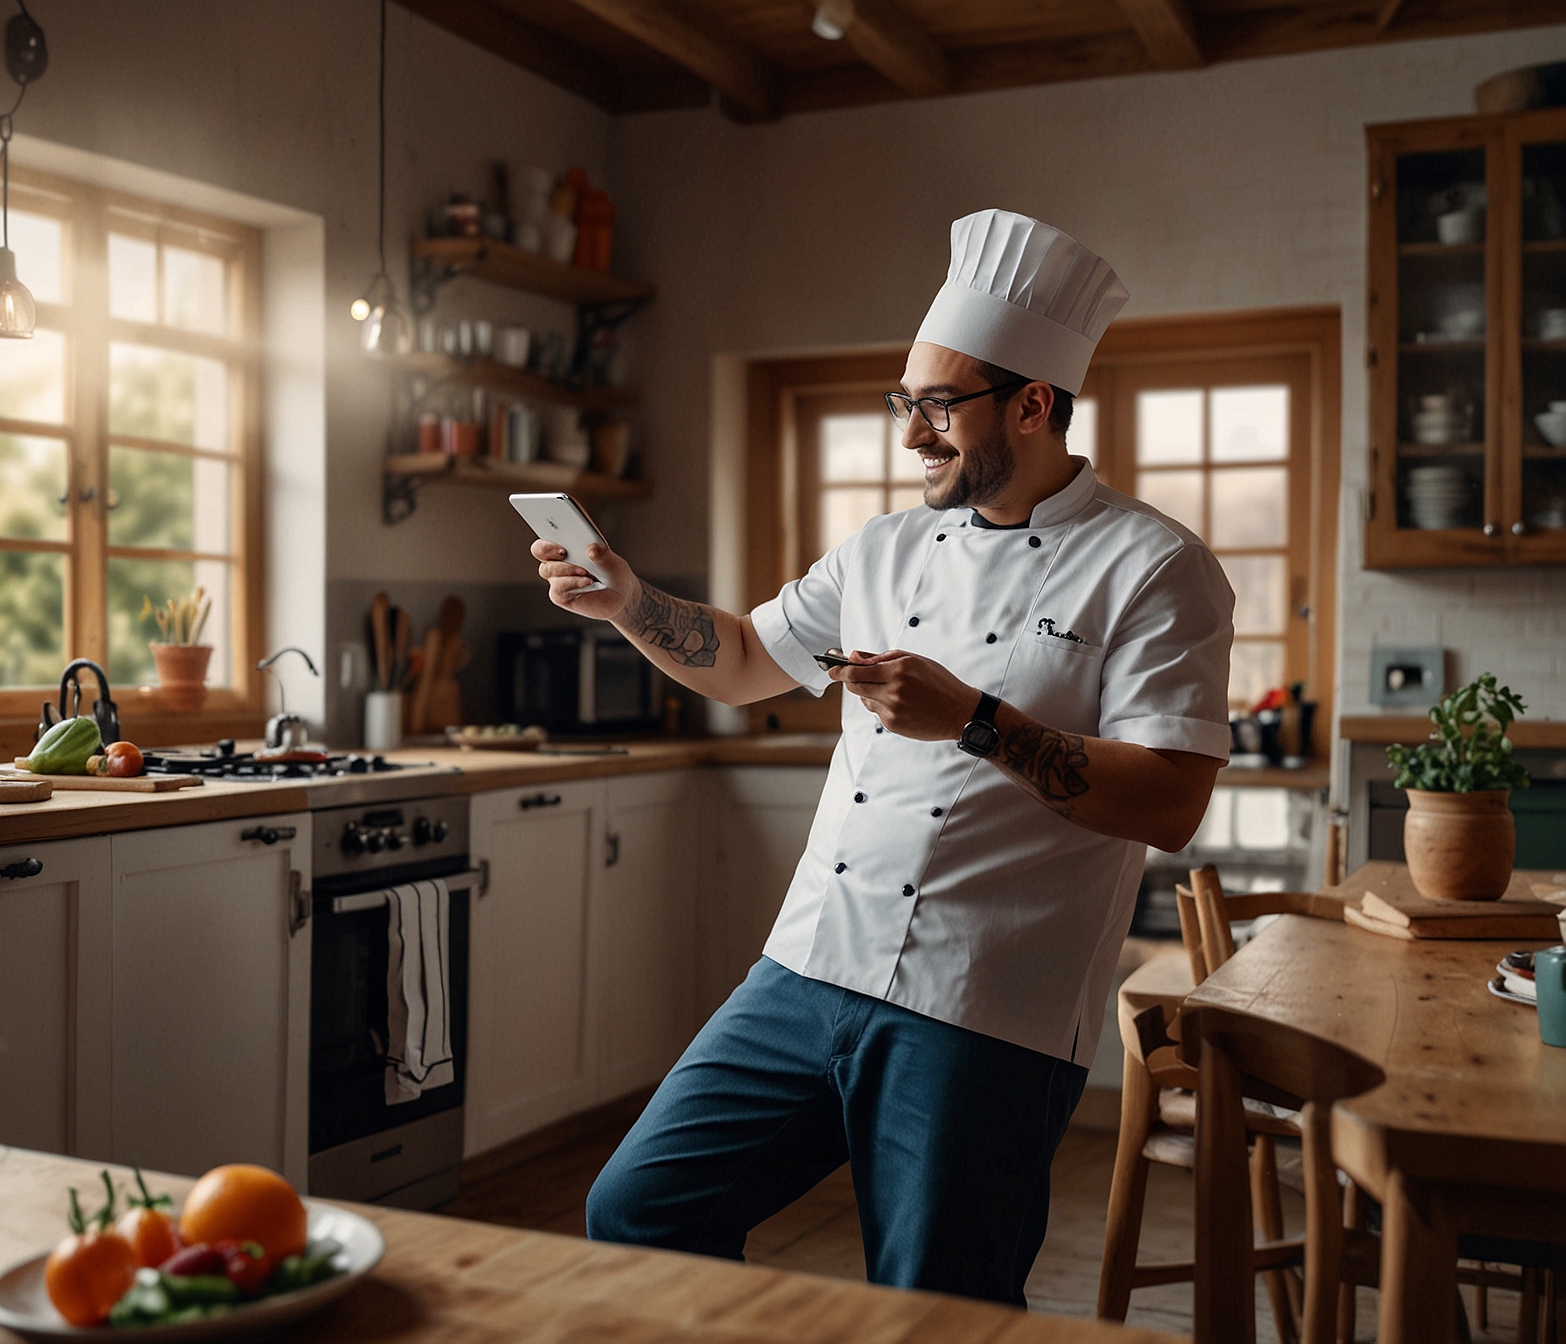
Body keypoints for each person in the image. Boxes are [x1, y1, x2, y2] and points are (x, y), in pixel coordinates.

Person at [528, 208, 1235, 1305]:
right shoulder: (883, 546)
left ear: (1035, 404)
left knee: (936, 1303)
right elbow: (750, 656)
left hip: (984, 1004)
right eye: (906, 404)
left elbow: (1170, 800)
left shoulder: (1153, 568)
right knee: (639, 1206)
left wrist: (978, 719)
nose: (911, 435)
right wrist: (627, 602)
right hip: (808, 965)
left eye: (939, 407)